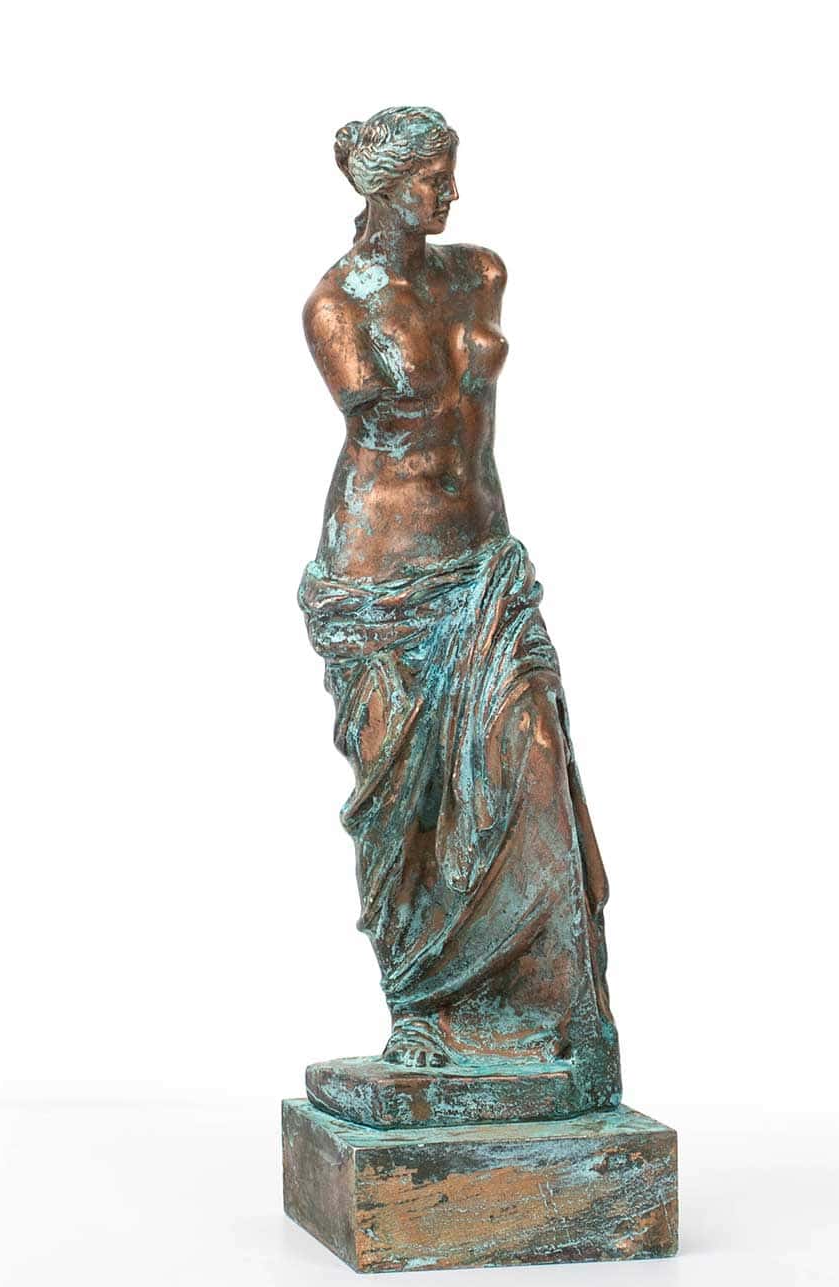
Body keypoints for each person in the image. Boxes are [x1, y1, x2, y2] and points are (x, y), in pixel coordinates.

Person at [299, 106, 620, 1114]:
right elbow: (382, 426)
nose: (448, 193)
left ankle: (548, 1022)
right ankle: (425, 1010)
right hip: (383, 581)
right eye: (429, 178)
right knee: (409, 809)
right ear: (380, 187)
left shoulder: (477, 272)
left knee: (532, 761)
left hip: (483, 566)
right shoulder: (335, 304)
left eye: (449, 172)